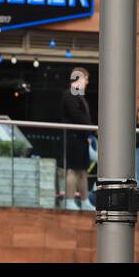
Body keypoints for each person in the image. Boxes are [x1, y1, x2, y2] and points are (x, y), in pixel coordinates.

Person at [61, 67, 95, 211]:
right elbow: (78, 117)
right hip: (73, 137)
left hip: (82, 137)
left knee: (82, 171)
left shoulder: (78, 96)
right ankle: (69, 200)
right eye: (86, 79)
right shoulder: (69, 95)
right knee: (73, 170)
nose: (87, 82)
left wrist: (89, 133)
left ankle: (85, 200)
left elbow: (83, 117)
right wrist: (91, 130)